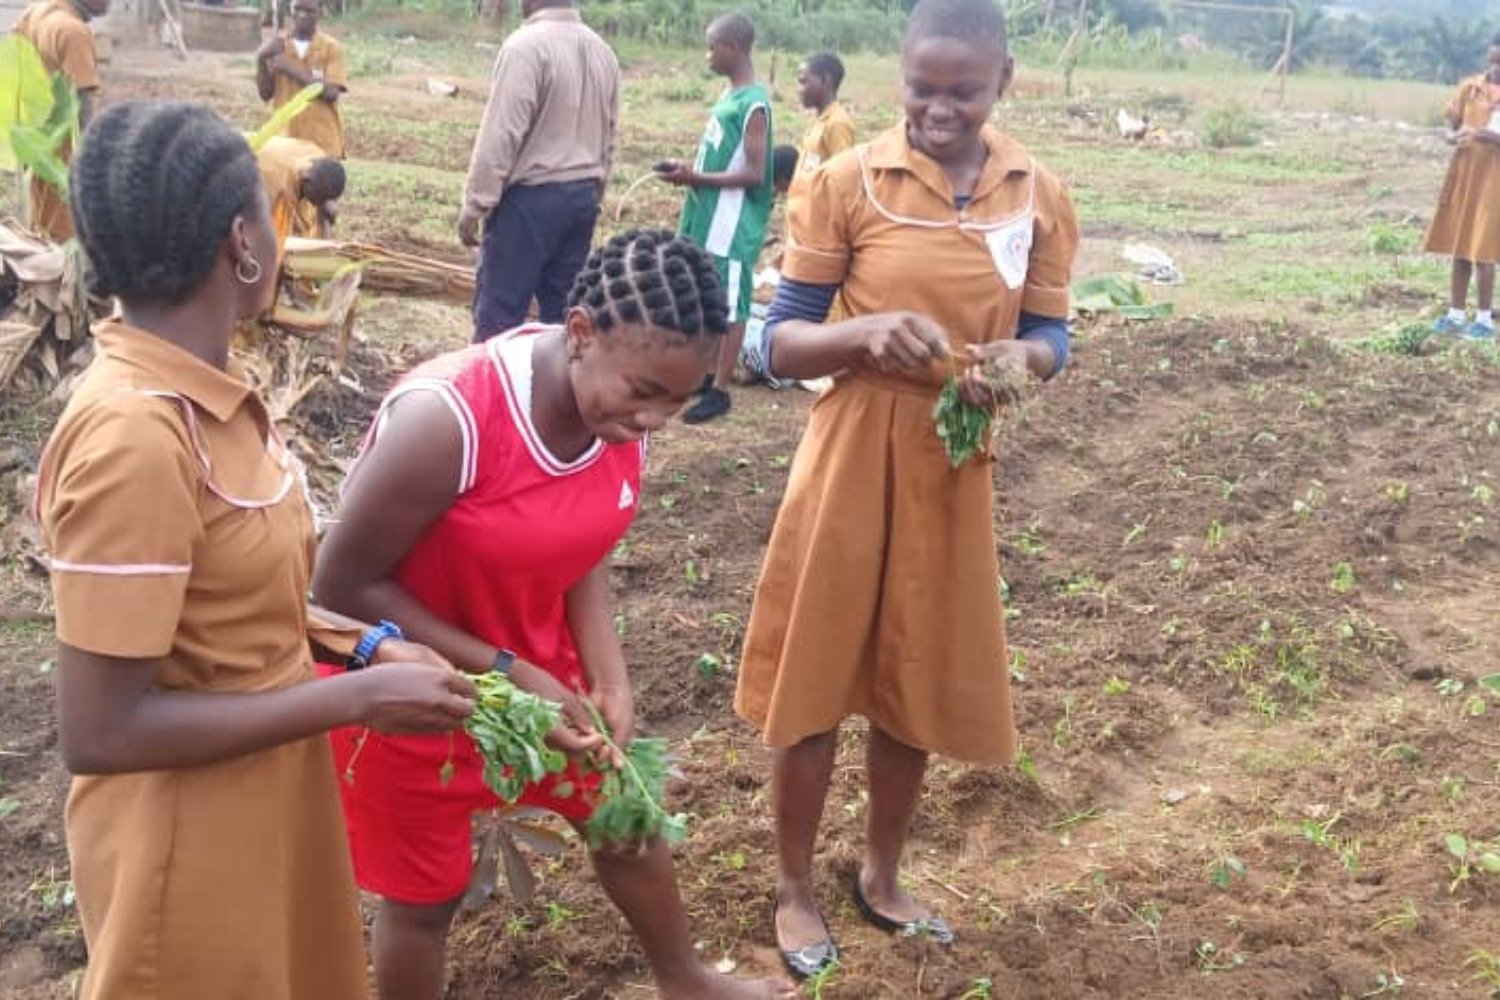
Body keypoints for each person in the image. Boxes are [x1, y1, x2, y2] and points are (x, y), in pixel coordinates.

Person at [35, 101, 476, 1000]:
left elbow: (231, 600)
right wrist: (358, 697)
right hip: (189, 840)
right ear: (244, 241)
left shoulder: (210, 395)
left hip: (266, 792)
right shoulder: (135, 437)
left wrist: (360, 646)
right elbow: (102, 729)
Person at [311, 230, 797, 1000]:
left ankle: (687, 981)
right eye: (645, 393)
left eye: (680, 400)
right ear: (579, 334)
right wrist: (510, 671)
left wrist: (610, 678)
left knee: (626, 820)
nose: (657, 422)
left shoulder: (615, 412)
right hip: (411, 689)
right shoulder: (451, 420)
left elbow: (583, 547)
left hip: (544, 679)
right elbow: (338, 587)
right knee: (425, 900)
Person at [732, 0, 1077, 979]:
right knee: (816, 680)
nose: (938, 109)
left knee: (909, 681)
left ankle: (882, 874)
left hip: (952, 457)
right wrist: (860, 337)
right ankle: (794, 888)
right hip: (850, 453)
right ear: (902, 80)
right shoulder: (848, 183)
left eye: (962, 92)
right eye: (922, 88)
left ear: (1002, 83)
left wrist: (1020, 362)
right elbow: (774, 340)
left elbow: (1056, 336)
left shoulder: (1036, 194)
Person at [458, 0, 620, 342]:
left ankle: (495, 394)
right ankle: (552, 393)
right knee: (560, 320)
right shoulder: (603, 51)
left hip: (530, 201)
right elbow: (610, 135)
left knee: (499, 319)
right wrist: (595, 196)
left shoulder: (525, 46)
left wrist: (475, 206)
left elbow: (502, 134)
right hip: (582, 198)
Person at [658, 12, 774, 425]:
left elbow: (755, 173)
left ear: (734, 49)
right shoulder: (729, 97)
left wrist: (696, 178)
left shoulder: (754, 104)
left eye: (713, 47)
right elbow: (724, 156)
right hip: (706, 214)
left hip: (730, 222)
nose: (708, 56)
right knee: (704, 291)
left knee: (731, 302)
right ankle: (707, 375)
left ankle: (721, 389)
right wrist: (688, 171)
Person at [10, 0, 109, 241]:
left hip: (33, 141)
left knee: (40, 228)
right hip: (61, 152)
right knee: (62, 238)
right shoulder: (73, 32)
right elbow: (82, 103)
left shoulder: (37, 11)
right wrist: (89, 162)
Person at [1424, 34, 1500, 341]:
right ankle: (1455, 313)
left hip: (1493, 179)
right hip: (1465, 173)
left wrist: (1478, 133)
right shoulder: (1470, 89)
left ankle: (1484, 319)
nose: (1494, 66)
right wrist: (1453, 132)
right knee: (1460, 246)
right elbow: (1453, 126)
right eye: (1491, 59)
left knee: (1484, 248)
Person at [256, 0, 348, 159]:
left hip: (321, 144)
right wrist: (261, 59)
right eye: (298, 9)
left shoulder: (332, 48)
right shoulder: (278, 46)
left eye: (309, 10)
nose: (302, 15)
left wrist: (289, 68)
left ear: (319, 12)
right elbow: (265, 94)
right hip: (286, 141)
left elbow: (331, 93)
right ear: (291, 11)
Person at [256, 134, 346, 256]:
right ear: (307, 182)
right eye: (319, 199)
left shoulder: (318, 157)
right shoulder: (279, 189)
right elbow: (275, 240)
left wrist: (325, 216)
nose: (318, 204)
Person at [794, 51, 856, 179]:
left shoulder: (837, 123)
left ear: (824, 80)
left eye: (804, 82)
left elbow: (843, 177)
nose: (799, 90)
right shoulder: (819, 120)